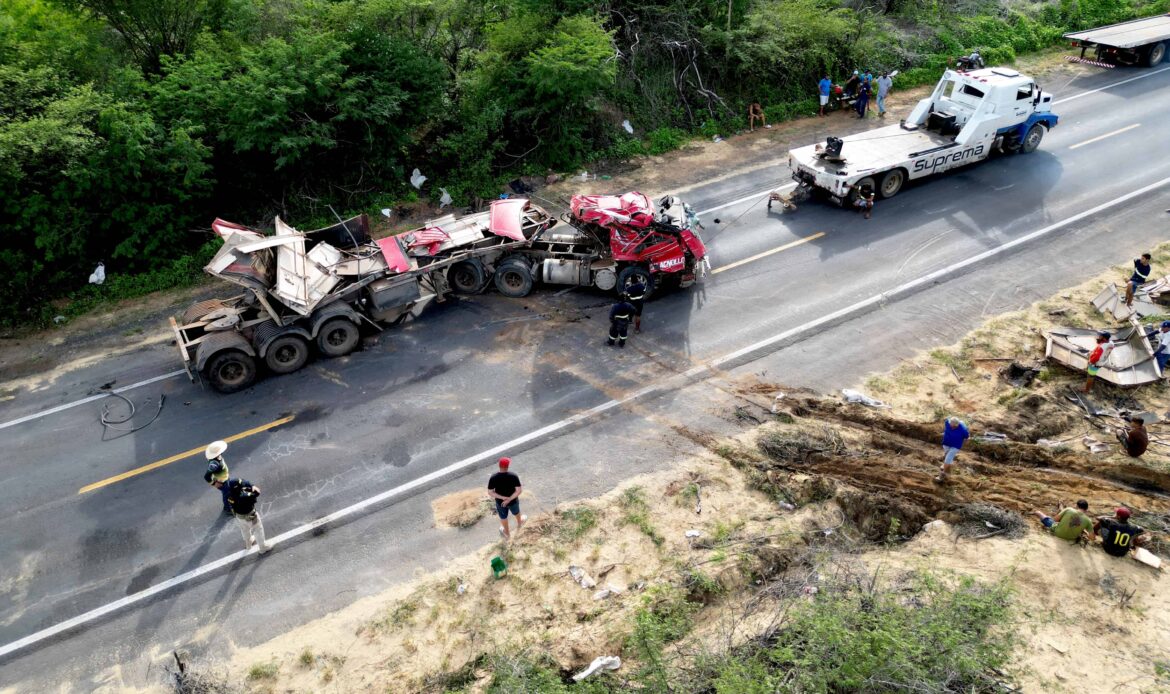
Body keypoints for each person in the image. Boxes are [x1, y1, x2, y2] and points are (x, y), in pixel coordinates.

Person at [212, 476, 270, 553]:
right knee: (257, 528)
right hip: (251, 515)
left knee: (244, 529)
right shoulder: (244, 495)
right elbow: (256, 492)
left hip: (239, 516)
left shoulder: (227, 494)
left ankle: (248, 543)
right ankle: (263, 547)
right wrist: (252, 487)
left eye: (214, 483)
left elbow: (240, 482)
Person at [487, 457, 525, 540]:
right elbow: (518, 491)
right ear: (508, 466)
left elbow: (490, 492)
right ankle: (519, 523)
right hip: (513, 501)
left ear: (499, 465)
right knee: (516, 512)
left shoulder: (493, 477)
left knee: (503, 517)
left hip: (500, 503)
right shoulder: (513, 476)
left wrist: (503, 498)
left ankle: (507, 533)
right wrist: (509, 499)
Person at [936, 416, 969, 483]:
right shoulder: (947, 422)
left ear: (957, 425)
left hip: (955, 445)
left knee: (948, 458)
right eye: (951, 425)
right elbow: (947, 418)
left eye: (954, 426)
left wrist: (964, 430)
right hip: (946, 443)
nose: (952, 427)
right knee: (947, 456)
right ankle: (947, 467)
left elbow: (967, 436)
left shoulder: (963, 429)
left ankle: (942, 475)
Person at [203, 440, 232, 514]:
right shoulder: (214, 464)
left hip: (225, 478)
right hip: (222, 482)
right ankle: (228, 509)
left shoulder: (218, 457)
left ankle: (228, 505)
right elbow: (207, 476)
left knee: (228, 493)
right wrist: (214, 483)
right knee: (226, 495)